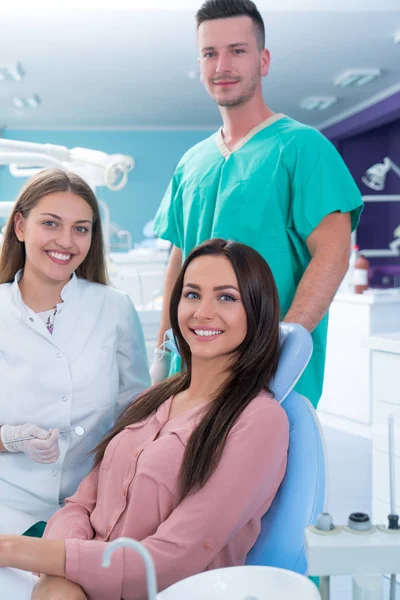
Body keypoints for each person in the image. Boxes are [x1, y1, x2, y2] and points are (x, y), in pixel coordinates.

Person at [0, 238, 289, 600]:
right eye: (192, 294)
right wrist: (64, 577)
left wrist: (17, 551)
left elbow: (171, 559)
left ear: (257, 310)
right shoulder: (152, 400)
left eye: (227, 297)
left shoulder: (259, 421)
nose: (202, 312)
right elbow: (79, 505)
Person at [151, 0, 364, 407]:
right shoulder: (191, 163)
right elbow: (177, 265)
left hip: (269, 380)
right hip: (192, 376)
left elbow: (333, 254)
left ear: (263, 61)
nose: (222, 65)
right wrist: (162, 355)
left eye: (238, 51)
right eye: (210, 53)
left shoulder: (302, 147)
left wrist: (280, 347)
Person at [0, 168, 150, 537]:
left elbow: (135, 414)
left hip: (90, 506)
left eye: (81, 228)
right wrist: (8, 439)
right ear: (20, 226)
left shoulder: (114, 308)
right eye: (50, 223)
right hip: (6, 502)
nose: (66, 241)